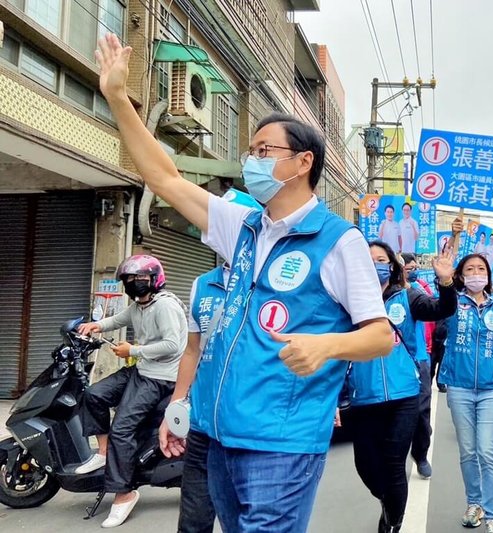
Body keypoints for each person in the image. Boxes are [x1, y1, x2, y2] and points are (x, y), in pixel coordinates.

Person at [96, 34, 394, 533]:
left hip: (280, 440)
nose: (251, 161)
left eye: (264, 150)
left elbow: (380, 335)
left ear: (303, 163)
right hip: (216, 433)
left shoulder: (339, 241)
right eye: (250, 150)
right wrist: (117, 98)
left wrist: (325, 346)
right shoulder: (244, 225)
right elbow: (165, 178)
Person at [159, 190, 263, 533]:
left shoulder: (271, 284)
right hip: (204, 423)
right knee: (193, 523)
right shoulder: (202, 284)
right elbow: (193, 351)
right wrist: (176, 408)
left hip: (253, 427)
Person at [347, 242, 457, 532]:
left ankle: (392, 523)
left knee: (394, 463)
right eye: (368, 260)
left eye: (380, 260)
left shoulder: (407, 298)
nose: (374, 265)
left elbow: (443, 308)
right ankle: (389, 500)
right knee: (366, 466)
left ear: (391, 267)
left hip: (403, 395)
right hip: (363, 397)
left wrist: (446, 281)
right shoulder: (346, 303)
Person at [76, 255, 188, 528]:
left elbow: (173, 345)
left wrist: (133, 350)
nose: (133, 283)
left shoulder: (165, 306)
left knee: (122, 429)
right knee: (94, 395)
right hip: (142, 370)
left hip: (161, 378)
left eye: (139, 279)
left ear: (154, 279)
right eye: (128, 279)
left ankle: (124, 493)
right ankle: (103, 453)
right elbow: (118, 319)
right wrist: (96, 326)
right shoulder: (140, 305)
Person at [438, 218, 493, 533]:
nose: (477, 274)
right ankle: (474, 503)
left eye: (482, 270)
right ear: (461, 277)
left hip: (490, 389)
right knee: (468, 451)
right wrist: (456, 236)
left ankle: (492, 515)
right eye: (470, 270)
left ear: (489, 277)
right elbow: (444, 267)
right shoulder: (451, 304)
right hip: (460, 389)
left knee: (488, 450)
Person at [401, 253, 436, 479]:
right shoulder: (373, 292)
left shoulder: (417, 290)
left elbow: (438, 307)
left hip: (420, 358)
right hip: (387, 360)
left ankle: (420, 454)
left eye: (413, 268)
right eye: (407, 267)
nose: (411, 270)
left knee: (421, 411)